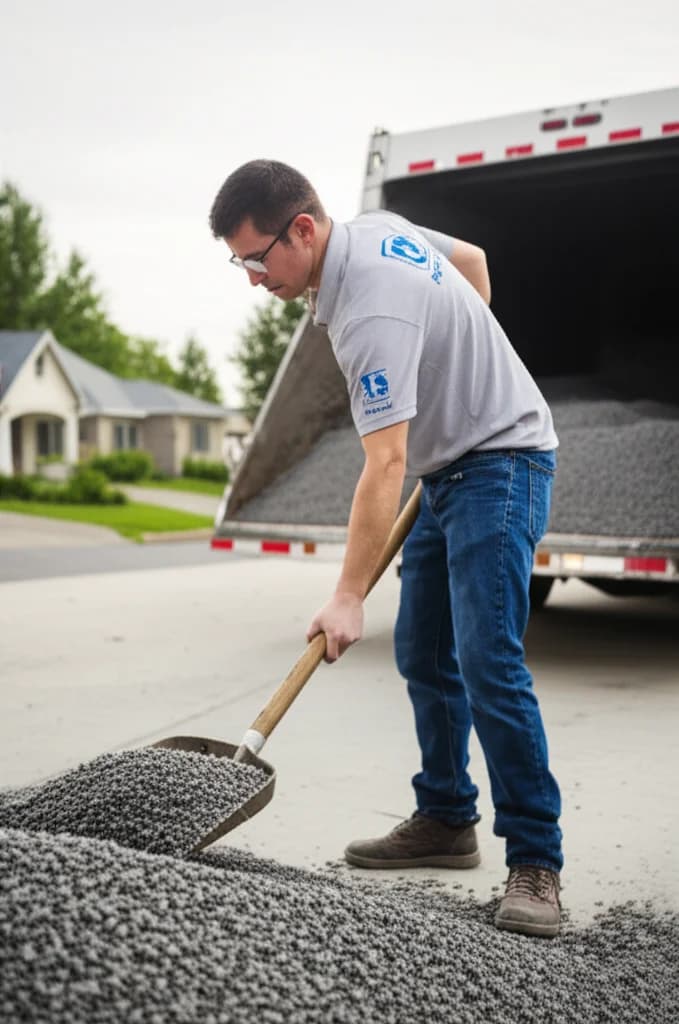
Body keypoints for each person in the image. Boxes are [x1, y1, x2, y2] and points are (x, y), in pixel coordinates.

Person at [209, 160, 563, 938]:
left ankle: (536, 861)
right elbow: (472, 263)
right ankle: (445, 816)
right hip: (450, 466)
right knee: (424, 653)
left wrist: (345, 596)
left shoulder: (370, 308)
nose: (254, 279)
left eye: (256, 258)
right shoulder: (376, 230)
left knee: (487, 660)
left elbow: (384, 464)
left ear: (302, 229)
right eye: (241, 263)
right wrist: (455, 358)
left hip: (501, 463)